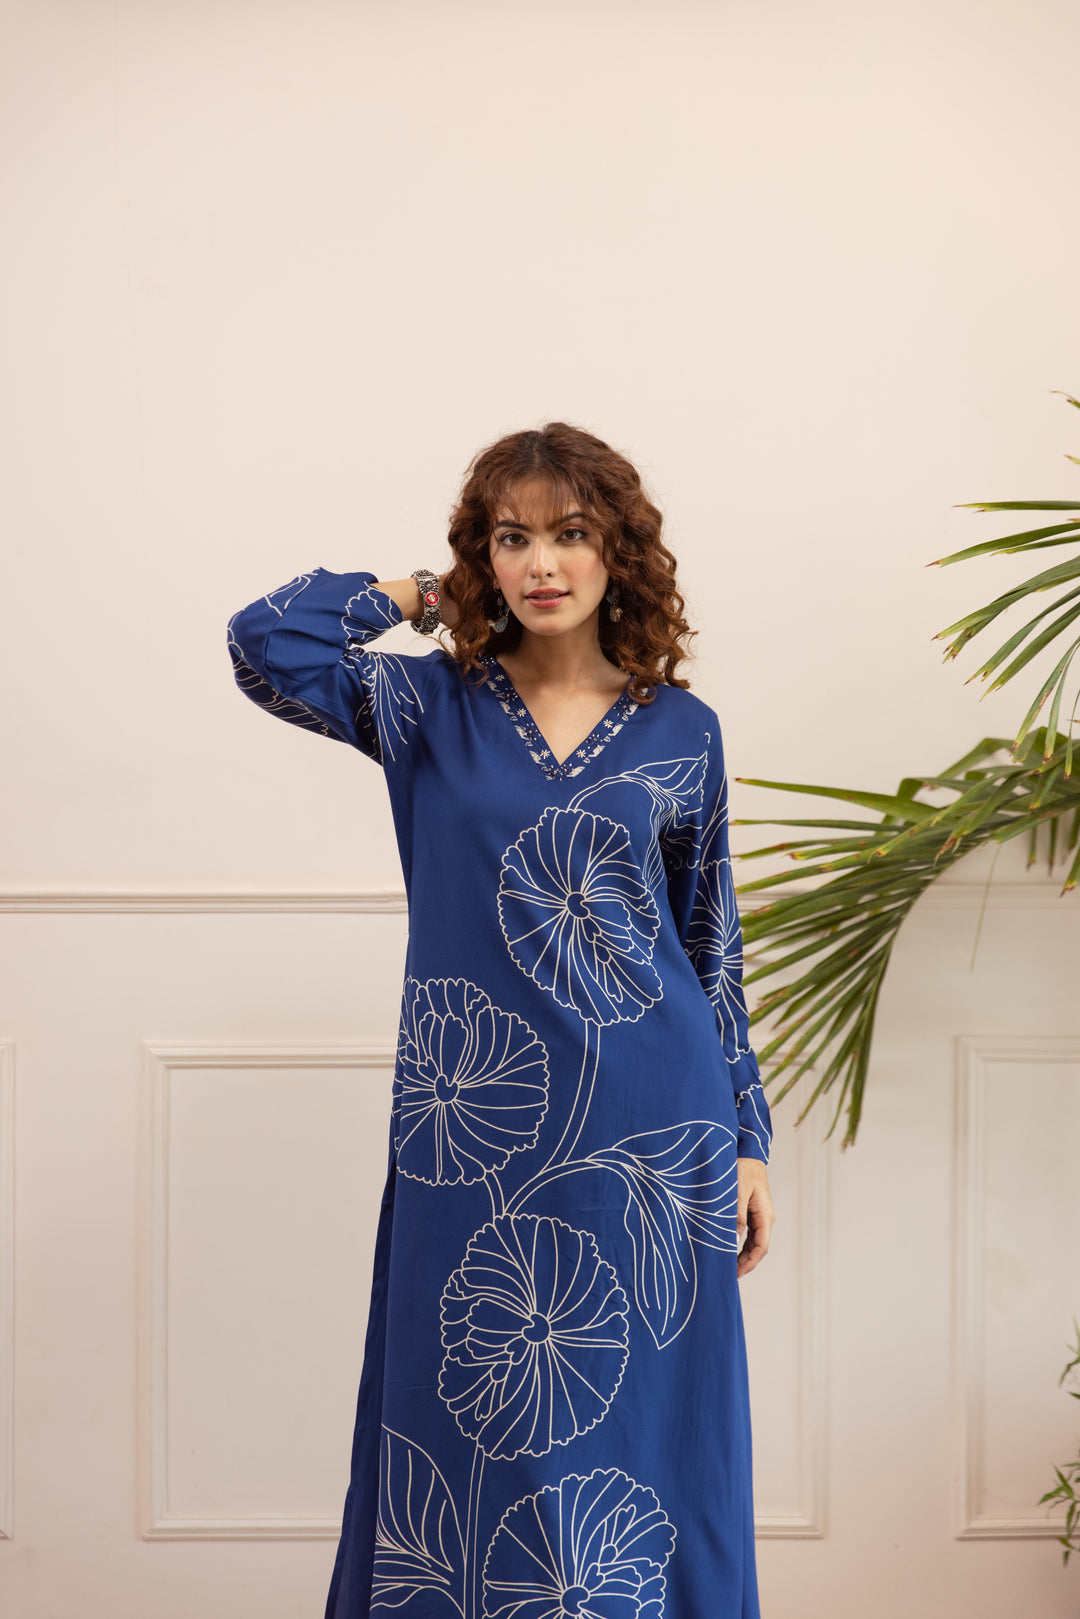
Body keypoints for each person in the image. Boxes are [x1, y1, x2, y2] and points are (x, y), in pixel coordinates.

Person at [227, 421, 776, 1619]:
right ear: (482, 555)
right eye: (512, 537)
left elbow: (709, 942)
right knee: (469, 1419)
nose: (542, 563)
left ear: (617, 551)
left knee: (644, 1432)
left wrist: (748, 1136)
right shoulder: (427, 704)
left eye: (570, 533)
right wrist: (426, 596)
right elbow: (265, 640)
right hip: (471, 1128)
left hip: (655, 1128)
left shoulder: (682, 730)